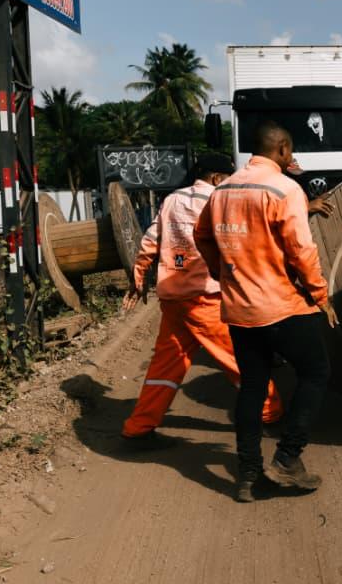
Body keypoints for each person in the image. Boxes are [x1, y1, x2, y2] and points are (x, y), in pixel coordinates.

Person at [194, 122, 339, 503]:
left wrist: (221, 273)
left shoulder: (222, 189)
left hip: (240, 310)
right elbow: (301, 251)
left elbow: (202, 236)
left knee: (252, 386)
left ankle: (248, 474)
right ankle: (288, 458)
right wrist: (320, 296)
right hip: (282, 306)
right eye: (290, 152)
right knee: (316, 372)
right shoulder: (286, 189)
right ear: (284, 149)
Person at [120, 154, 282, 445]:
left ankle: (139, 428)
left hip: (173, 298)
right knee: (242, 359)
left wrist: (139, 276)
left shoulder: (171, 199)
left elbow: (150, 240)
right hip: (206, 298)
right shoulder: (221, 201)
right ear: (218, 178)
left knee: (165, 368)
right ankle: (271, 415)